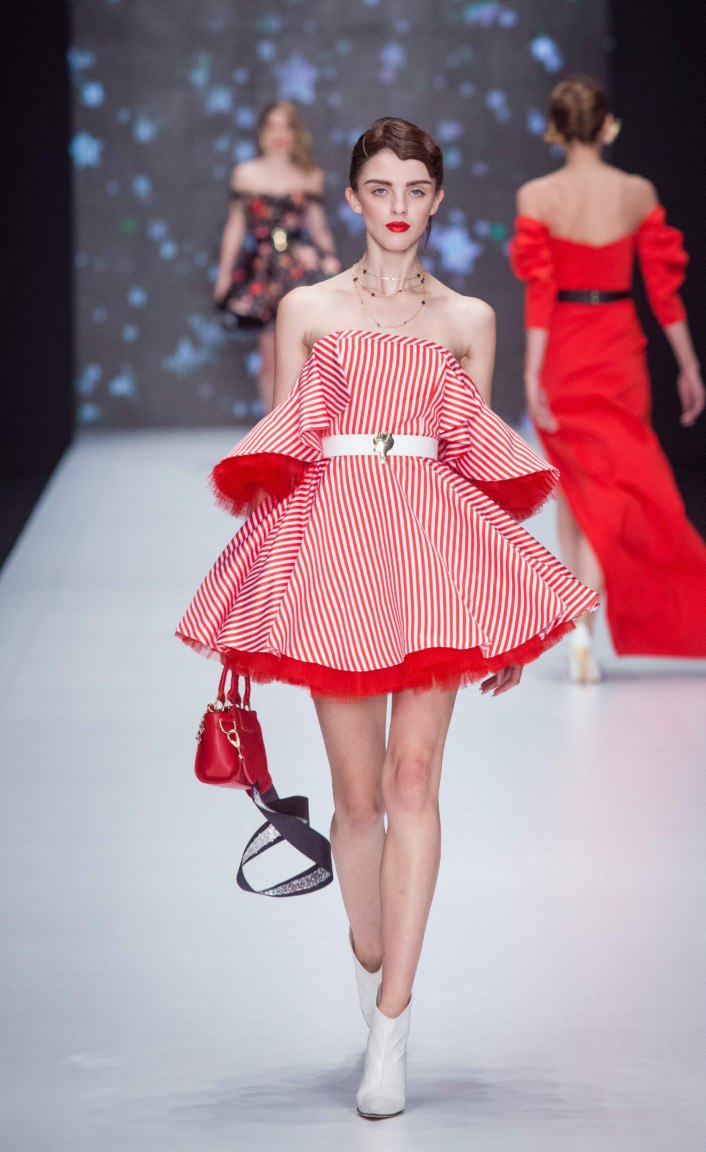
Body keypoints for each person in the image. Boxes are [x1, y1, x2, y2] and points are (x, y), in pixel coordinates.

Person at [177, 117, 598, 1119]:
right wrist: (261, 602)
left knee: (415, 780)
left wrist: (500, 614)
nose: (398, 207)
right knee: (356, 800)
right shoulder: (307, 309)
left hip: (434, 563)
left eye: (416, 189)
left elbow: (474, 465)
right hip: (333, 556)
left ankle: (394, 1026)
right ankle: (370, 959)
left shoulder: (469, 319)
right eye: (380, 188)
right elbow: (283, 452)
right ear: (353, 197)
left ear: (438, 199)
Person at [510, 76, 706, 683]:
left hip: (565, 350)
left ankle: (580, 627)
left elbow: (540, 293)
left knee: (574, 488)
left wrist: (532, 370)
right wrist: (689, 365)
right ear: (608, 125)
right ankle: (584, 628)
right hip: (618, 348)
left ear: (554, 129)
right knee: (606, 489)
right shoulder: (638, 192)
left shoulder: (537, 195)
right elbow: (664, 292)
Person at [213, 100, 341, 409]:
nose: (279, 134)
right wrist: (225, 274)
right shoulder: (245, 175)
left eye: (286, 126)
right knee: (270, 356)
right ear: (262, 132)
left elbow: (318, 227)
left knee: (305, 355)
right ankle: (274, 427)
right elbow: (235, 227)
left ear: (296, 133)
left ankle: (302, 425)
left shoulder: (309, 175)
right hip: (262, 272)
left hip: (299, 269)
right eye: (272, 126)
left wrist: (332, 262)